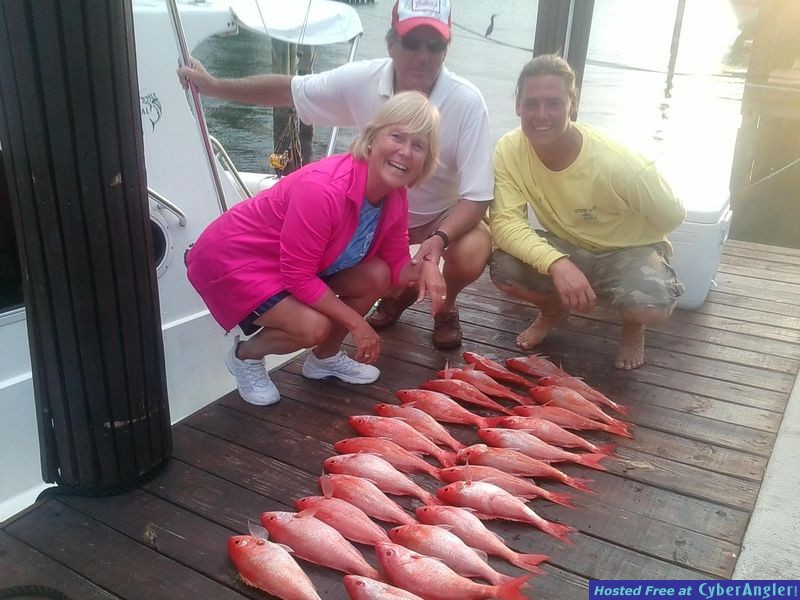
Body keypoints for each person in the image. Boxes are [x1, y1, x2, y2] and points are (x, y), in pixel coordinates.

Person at [178, 0, 493, 350]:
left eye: (434, 45)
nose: (423, 54)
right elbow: (291, 90)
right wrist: (214, 87)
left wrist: (434, 251)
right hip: (299, 244)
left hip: (419, 222)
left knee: (467, 248)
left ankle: (431, 310)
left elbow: (479, 195)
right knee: (322, 317)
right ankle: (250, 354)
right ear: (390, 43)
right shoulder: (328, 180)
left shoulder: (466, 104)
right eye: (412, 42)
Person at [186, 92, 446, 406]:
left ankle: (324, 360)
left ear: (426, 160)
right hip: (236, 259)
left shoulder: (395, 196)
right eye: (397, 137)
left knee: (377, 274)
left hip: (298, 266)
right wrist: (356, 323)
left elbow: (395, 266)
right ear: (372, 138)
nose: (405, 152)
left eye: (418, 145)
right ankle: (245, 355)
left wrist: (428, 264)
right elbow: (298, 276)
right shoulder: (322, 189)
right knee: (313, 327)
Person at [489, 55, 686, 370]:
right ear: (518, 106)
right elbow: (505, 223)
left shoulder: (618, 162)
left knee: (651, 306)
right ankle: (554, 311)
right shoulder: (509, 149)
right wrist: (557, 263)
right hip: (569, 247)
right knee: (503, 268)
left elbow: (673, 214)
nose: (541, 115)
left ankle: (633, 324)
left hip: (629, 250)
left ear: (573, 104)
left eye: (554, 103)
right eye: (531, 104)